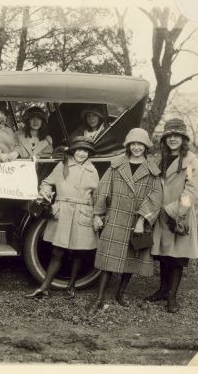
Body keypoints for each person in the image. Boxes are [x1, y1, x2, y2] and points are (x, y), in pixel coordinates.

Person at [88, 128, 163, 314]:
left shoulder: (152, 170)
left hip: (137, 222)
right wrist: (98, 214)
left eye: (140, 144)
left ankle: (120, 293)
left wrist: (141, 220)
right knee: (108, 260)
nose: (137, 147)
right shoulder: (116, 165)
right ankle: (99, 298)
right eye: (133, 144)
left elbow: (156, 197)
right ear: (128, 145)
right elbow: (103, 190)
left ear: (146, 147)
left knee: (131, 258)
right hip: (115, 218)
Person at [26, 136, 99, 299]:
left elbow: (98, 195)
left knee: (78, 252)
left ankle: (71, 286)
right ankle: (44, 286)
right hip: (63, 212)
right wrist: (44, 194)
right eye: (79, 150)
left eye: (86, 151)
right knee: (57, 251)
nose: (82, 154)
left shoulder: (92, 170)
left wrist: (97, 215)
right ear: (73, 151)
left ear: (89, 154)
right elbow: (46, 182)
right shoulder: (62, 165)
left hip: (82, 213)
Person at [148, 118, 198, 313]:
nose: (172, 139)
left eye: (176, 135)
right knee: (164, 254)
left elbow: (192, 189)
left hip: (179, 215)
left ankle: (172, 297)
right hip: (161, 213)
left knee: (177, 256)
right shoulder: (160, 158)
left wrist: (176, 210)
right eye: (169, 136)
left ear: (183, 138)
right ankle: (162, 290)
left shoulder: (190, 160)